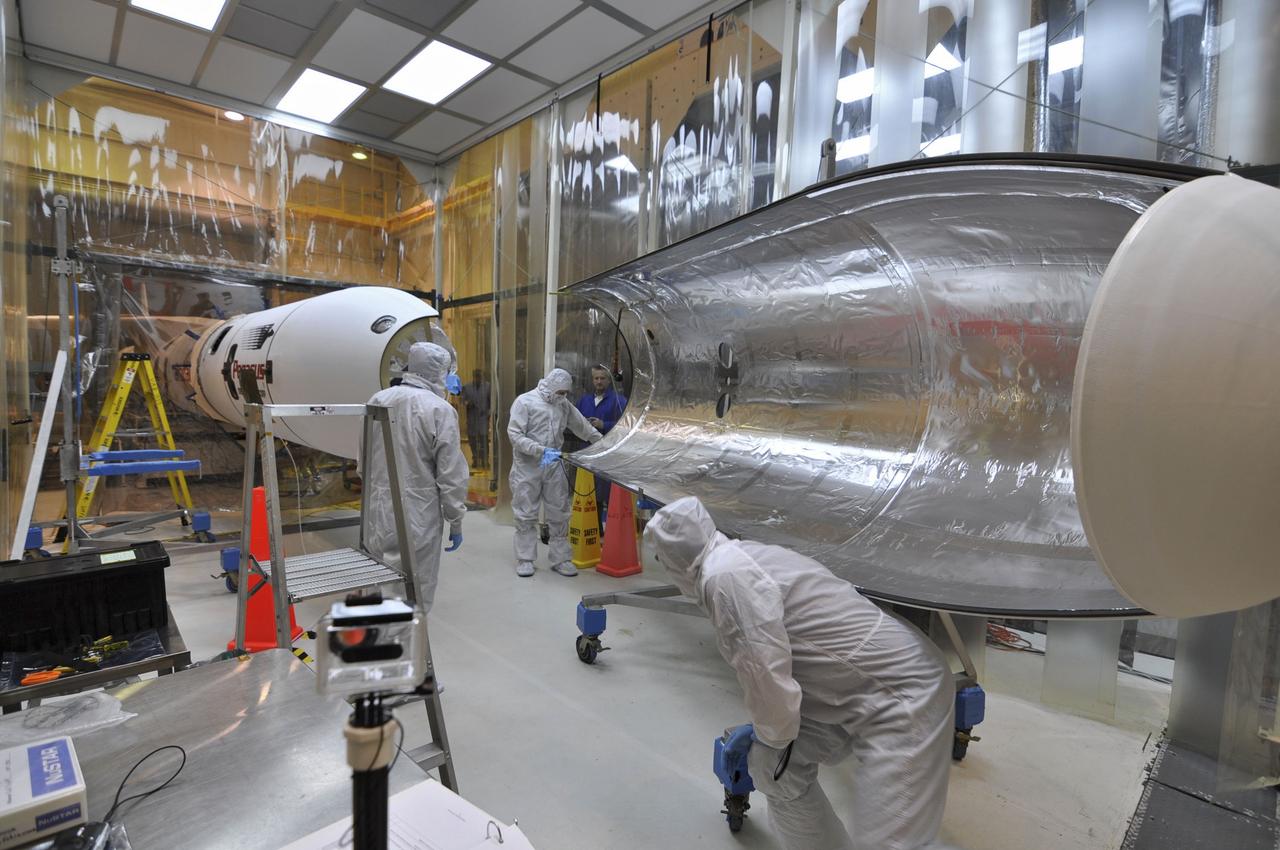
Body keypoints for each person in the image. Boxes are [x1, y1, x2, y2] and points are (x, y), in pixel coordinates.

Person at [644, 496, 954, 850]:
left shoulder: (724, 577)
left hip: (899, 693)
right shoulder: (736, 558)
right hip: (851, 688)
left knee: (893, 843)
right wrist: (770, 738)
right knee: (775, 768)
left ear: (671, 558)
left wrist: (770, 733)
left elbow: (765, 673)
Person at [361, 342, 469, 612]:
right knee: (412, 583)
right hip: (418, 512)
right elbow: (451, 474)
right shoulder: (439, 410)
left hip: (376, 504)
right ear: (439, 372)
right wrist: (455, 519)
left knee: (376, 573)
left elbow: (363, 456)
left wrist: (373, 490)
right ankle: (402, 645)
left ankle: (376, 638)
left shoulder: (378, 399)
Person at [507, 367, 602, 578]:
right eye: (560, 392)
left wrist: (602, 443)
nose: (563, 396)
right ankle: (525, 559)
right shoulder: (525, 402)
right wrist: (538, 449)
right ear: (549, 386)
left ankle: (561, 559)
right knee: (525, 512)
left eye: (566, 393)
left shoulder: (563, 404)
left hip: (554, 465)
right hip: (528, 466)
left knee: (559, 511)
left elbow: (582, 426)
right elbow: (514, 434)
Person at [575, 365, 627, 524]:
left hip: (609, 454)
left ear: (609, 380)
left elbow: (626, 428)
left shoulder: (619, 401)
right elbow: (573, 423)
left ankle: (612, 530)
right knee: (589, 493)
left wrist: (604, 425)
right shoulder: (584, 401)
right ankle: (595, 529)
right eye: (596, 378)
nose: (599, 382)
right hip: (587, 453)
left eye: (602, 378)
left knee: (609, 493)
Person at [460, 369, 491, 469]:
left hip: (483, 418)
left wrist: (488, 413)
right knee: (473, 441)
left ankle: (485, 460)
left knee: (484, 440)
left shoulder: (487, 387)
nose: (478, 378)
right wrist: (468, 403)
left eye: (479, 376)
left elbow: (491, 402)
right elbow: (462, 401)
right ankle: (475, 459)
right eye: (476, 376)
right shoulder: (467, 387)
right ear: (473, 377)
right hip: (472, 418)